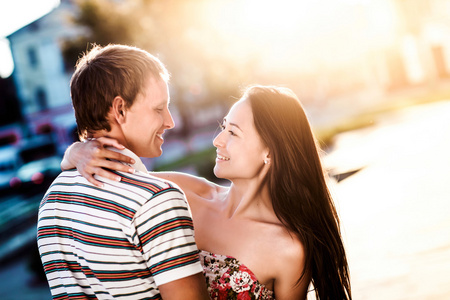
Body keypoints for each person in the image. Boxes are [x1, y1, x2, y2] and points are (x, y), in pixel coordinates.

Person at [63, 85, 352, 299]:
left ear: (270, 152)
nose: (217, 140)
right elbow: (100, 180)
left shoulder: (288, 249)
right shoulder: (178, 192)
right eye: (223, 127)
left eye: (233, 133)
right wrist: (76, 152)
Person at [37, 44, 210, 300]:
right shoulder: (155, 200)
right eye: (159, 108)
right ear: (119, 110)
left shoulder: (52, 200)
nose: (170, 121)